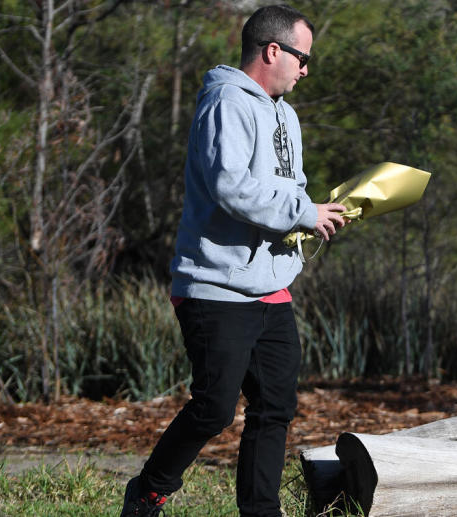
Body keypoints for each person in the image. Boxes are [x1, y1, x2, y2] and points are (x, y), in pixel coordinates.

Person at [120, 5, 345, 516]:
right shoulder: (226, 103)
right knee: (213, 409)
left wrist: (318, 215)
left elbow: (291, 191)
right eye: (302, 57)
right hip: (215, 286)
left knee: (274, 409)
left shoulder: (285, 113)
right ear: (273, 51)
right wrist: (301, 213)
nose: (306, 68)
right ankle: (148, 491)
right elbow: (232, 188)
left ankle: (260, 511)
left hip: (271, 287)